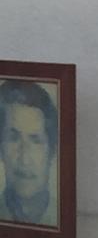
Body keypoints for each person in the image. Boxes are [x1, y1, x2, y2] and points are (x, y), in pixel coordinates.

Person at [0, 80, 58, 226]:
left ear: (51, 151)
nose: (24, 158)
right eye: (13, 138)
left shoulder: (62, 217)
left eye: (36, 140)